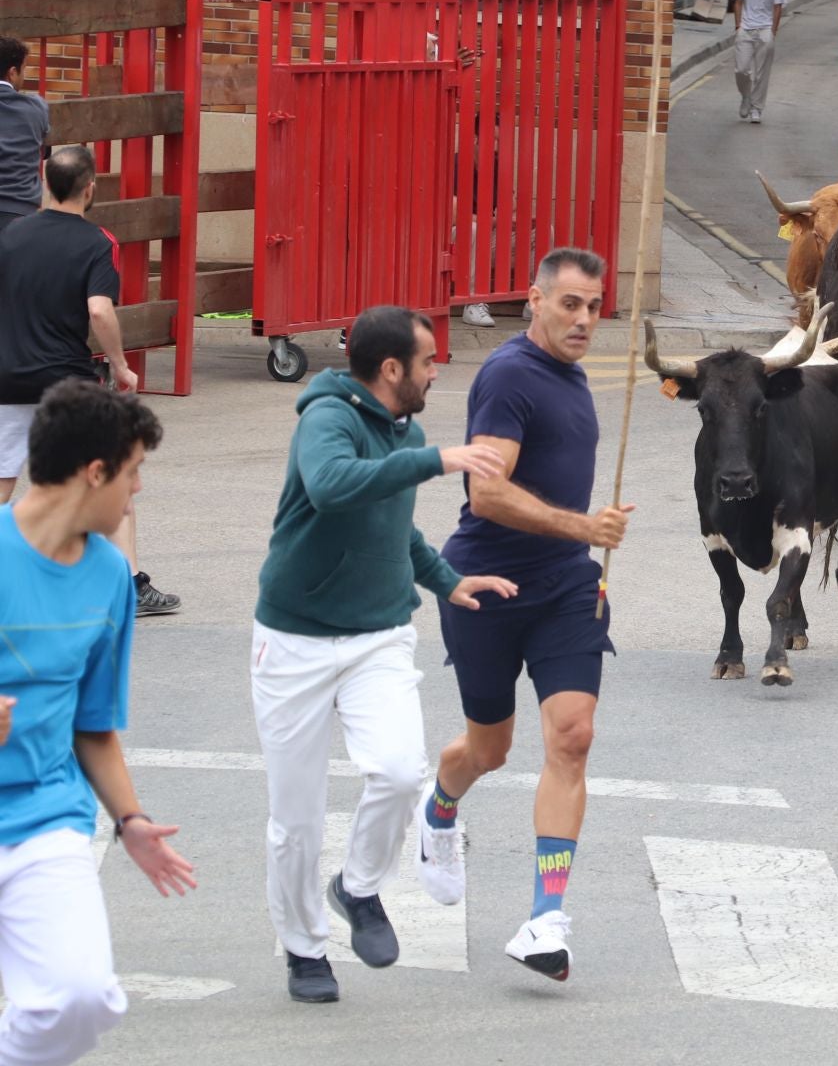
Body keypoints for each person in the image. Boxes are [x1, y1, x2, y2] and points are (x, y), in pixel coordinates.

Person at [252, 306, 515, 1004]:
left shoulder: (406, 430)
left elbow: (392, 527)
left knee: (400, 773)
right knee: (297, 819)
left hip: (378, 636)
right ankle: (305, 950)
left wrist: (449, 582)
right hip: (294, 640)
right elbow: (333, 487)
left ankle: (358, 888)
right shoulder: (326, 421)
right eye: (428, 361)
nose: (437, 371)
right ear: (391, 369)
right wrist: (436, 461)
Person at [420, 247, 633, 982]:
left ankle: (546, 919)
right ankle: (441, 810)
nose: (583, 319)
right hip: (486, 586)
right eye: (569, 304)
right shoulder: (510, 375)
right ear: (534, 301)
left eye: (594, 307)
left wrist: (581, 548)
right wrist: (584, 528)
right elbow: (486, 493)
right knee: (488, 750)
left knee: (572, 738)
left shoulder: (571, 380)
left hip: (566, 592)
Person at [0, 379, 197, 1066]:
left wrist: (131, 821)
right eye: (134, 471)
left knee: (82, 997)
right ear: (95, 472)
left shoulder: (111, 575)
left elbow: (93, 724)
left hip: (45, 815)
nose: (137, 491)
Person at [0, 146, 179, 617]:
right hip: (67, 380)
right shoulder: (98, 241)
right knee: (111, 481)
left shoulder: (12, 235)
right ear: (90, 188)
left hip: (7, 377)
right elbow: (99, 309)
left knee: (1, 484)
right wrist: (120, 366)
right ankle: (129, 586)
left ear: (44, 181)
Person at [731, 0, 786, 125]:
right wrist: (738, 25)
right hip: (745, 29)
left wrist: (773, 31)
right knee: (741, 69)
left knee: (762, 73)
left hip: (765, 29)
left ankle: (756, 108)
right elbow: (738, 2)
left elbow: (778, 7)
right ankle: (746, 97)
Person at [0, 37, 49, 239]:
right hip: (21, 211)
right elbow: (45, 150)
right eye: (25, 68)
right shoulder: (36, 107)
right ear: (12, 73)